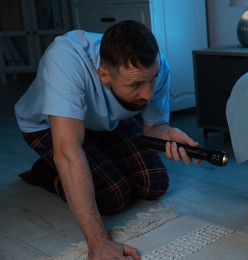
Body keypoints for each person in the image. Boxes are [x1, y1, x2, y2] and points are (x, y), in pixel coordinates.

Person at [15, 20, 199, 259]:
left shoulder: (155, 64)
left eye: (151, 80)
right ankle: (47, 174)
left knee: (154, 183)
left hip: (108, 122)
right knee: (113, 196)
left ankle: (99, 156)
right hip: (49, 127)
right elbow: (69, 151)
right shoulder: (65, 59)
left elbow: (154, 126)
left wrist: (165, 133)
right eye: (136, 84)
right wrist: (99, 242)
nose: (148, 94)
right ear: (103, 75)